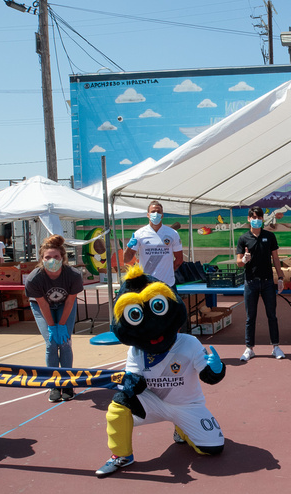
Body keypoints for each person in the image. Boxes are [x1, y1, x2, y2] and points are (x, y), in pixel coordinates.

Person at [95, 264, 227, 477]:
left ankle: (182, 427)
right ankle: (122, 455)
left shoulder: (189, 343)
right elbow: (134, 382)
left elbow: (208, 377)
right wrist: (131, 383)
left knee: (212, 449)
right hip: (153, 404)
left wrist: (216, 370)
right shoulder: (136, 351)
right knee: (119, 404)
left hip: (187, 405)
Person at [24, 235, 84, 402]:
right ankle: (53, 384)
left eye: (56, 257)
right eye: (47, 257)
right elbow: (43, 305)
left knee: (65, 341)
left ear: (63, 258)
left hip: (65, 306)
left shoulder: (73, 275)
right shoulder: (34, 278)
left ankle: (67, 383)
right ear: (42, 259)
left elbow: (71, 301)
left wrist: (62, 324)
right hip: (42, 307)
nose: (52, 260)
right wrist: (52, 326)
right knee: (51, 342)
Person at [235, 206, 285, 361]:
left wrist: (281, 278)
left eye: (259, 217)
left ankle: (275, 347)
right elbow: (238, 262)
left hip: (268, 282)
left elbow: (276, 258)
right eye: (253, 217)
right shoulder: (243, 238)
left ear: (262, 219)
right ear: (249, 219)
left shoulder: (269, 236)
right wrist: (244, 260)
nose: (256, 220)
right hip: (250, 283)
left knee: (272, 315)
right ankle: (249, 348)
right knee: (251, 317)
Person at [124, 201, 184, 287]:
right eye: (153, 212)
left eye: (158, 212)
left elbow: (179, 259)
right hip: (146, 284)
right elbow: (126, 259)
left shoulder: (172, 233)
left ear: (162, 215)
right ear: (148, 215)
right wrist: (129, 247)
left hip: (167, 283)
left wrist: (168, 272)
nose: (156, 214)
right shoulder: (139, 234)